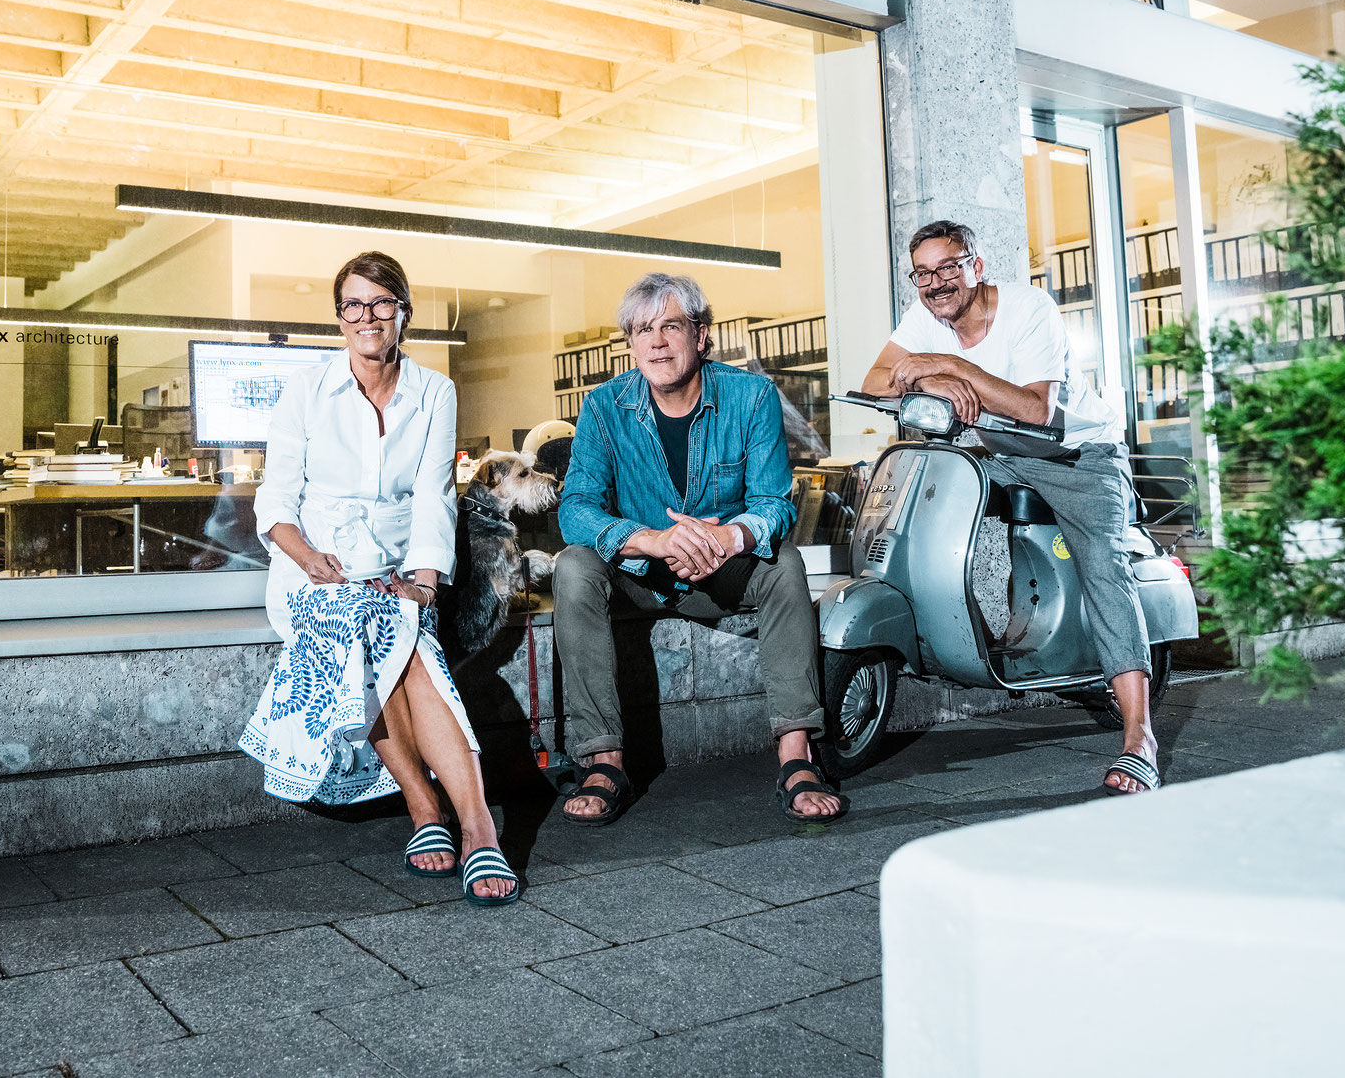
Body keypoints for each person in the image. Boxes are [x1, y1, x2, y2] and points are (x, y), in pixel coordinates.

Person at [239, 251, 520, 903]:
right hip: (314, 574)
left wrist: (424, 582)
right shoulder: (303, 393)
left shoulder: (434, 392)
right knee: (357, 630)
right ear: (340, 317)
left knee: (414, 651)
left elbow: (433, 497)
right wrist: (308, 559)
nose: (368, 317)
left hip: (395, 568)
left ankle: (476, 830)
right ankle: (426, 807)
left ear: (403, 313)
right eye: (354, 306)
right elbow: (274, 503)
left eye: (381, 303)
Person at [860, 220, 1161, 794]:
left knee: (1104, 567)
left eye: (948, 267)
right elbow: (875, 379)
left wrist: (951, 369)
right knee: (926, 504)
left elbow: (1036, 407)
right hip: (1000, 452)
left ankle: (1137, 737)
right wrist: (931, 386)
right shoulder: (929, 314)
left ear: (976, 264)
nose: (935, 283)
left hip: (1075, 455)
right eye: (922, 273)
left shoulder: (1029, 308)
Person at [552, 273, 846, 826]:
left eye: (670, 326)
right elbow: (576, 509)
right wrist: (654, 542)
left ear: (701, 335)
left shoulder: (750, 396)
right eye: (642, 330)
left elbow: (774, 503)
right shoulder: (603, 407)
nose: (656, 342)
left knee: (785, 563)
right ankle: (603, 758)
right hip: (640, 573)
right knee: (573, 567)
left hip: (720, 571)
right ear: (632, 343)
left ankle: (796, 755)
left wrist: (725, 537)